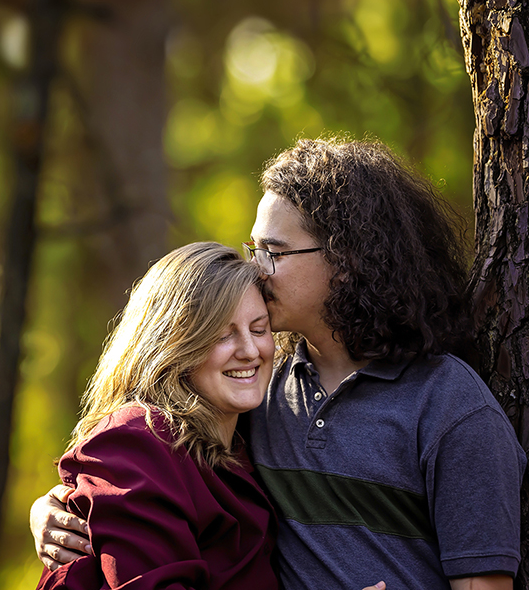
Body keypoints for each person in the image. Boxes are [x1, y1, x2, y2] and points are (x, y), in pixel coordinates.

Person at [31, 138, 526, 590]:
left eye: (273, 252)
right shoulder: (261, 391)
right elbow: (149, 471)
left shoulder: (449, 406)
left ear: (349, 260)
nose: (255, 268)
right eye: (254, 248)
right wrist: (57, 509)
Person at [38, 242, 279, 589]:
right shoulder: (134, 442)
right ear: (175, 344)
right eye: (223, 335)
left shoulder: (253, 436)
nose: (250, 350)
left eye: (259, 329)